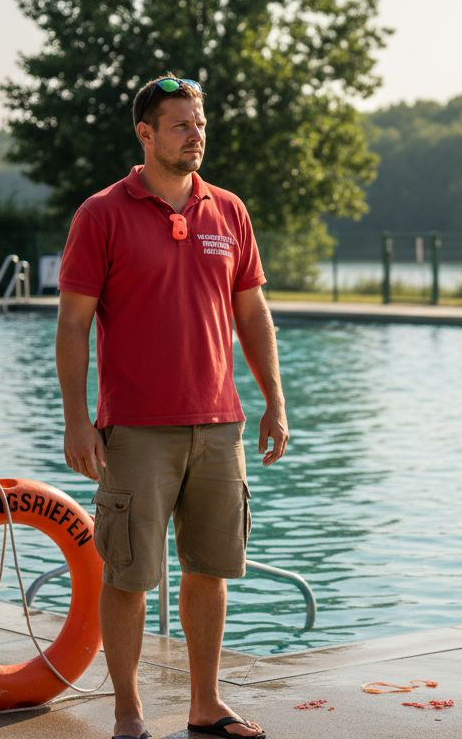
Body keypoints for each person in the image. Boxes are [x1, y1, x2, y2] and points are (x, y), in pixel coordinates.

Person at [56, 73, 287, 739]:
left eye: (201, 124)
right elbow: (73, 323)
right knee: (129, 575)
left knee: (210, 572)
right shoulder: (102, 213)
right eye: (182, 125)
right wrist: (77, 420)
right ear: (147, 133)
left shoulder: (229, 211)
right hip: (135, 430)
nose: (196, 137)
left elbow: (252, 311)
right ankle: (128, 713)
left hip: (220, 424)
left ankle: (205, 705)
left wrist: (274, 399)